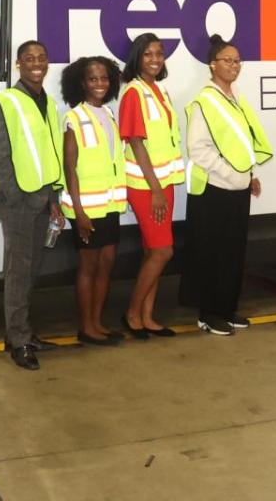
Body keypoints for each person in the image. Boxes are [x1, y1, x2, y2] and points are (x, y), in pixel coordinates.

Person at [179, 35, 273, 336]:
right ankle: (208, 314)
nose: (234, 65)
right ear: (212, 64)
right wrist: (231, 174)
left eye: (237, 61)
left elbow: (240, 144)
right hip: (213, 190)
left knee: (233, 251)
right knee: (210, 252)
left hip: (236, 187)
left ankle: (226, 308)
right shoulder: (203, 101)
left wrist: (249, 174)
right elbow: (199, 149)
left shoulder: (235, 99)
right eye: (227, 60)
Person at [0, 40, 65, 370]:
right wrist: (16, 195)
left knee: (31, 270)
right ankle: (18, 341)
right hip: (18, 202)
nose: (37, 63)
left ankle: (21, 332)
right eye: (29, 58)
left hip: (43, 198)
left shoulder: (46, 102)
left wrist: (54, 199)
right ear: (18, 64)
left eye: (42, 58)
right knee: (19, 272)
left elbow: (50, 153)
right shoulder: (6, 101)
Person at [118, 33, 185, 339]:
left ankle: (148, 316)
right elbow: (136, 142)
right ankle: (132, 312)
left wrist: (162, 186)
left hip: (163, 182)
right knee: (162, 252)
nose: (155, 59)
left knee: (151, 252)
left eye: (159, 53)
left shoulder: (159, 90)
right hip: (147, 186)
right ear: (137, 59)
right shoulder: (134, 92)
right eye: (148, 54)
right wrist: (156, 189)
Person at [59, 56, 127, 347]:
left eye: (104, 78)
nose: (100, 84)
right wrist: (79, 212)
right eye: (93, 79)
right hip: (86, 208)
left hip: (110, 204)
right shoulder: (74, 117)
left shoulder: (109, 114)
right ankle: (86, 328)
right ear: (81, 83)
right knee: (88, 266)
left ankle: (98, 322)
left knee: (107, 263)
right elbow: (69, 168)